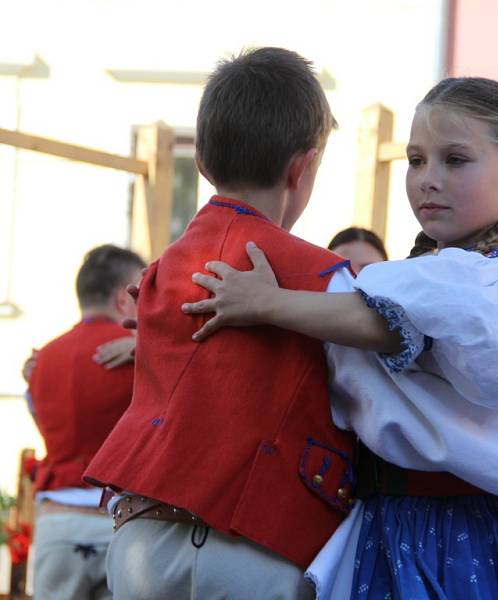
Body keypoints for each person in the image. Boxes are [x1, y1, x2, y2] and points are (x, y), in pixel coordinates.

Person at [183, 77, 498, 599]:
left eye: (455, 160)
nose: (427, 179)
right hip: (394, 524)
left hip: (468, 533)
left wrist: (268, 303)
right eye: (417, 161)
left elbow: (395, 328)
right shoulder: (431, 275)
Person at [83, 48, 358, 600]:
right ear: (301, 167)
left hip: (143, 536)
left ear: (202, 164)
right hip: (259, 542)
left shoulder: (159, 273)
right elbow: (368, 406)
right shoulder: (326, 277)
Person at [26, 244, 144, 599]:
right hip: (121, 522)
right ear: (124, 298)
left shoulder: (42, 359)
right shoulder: (141, 353)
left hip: (56, 523)